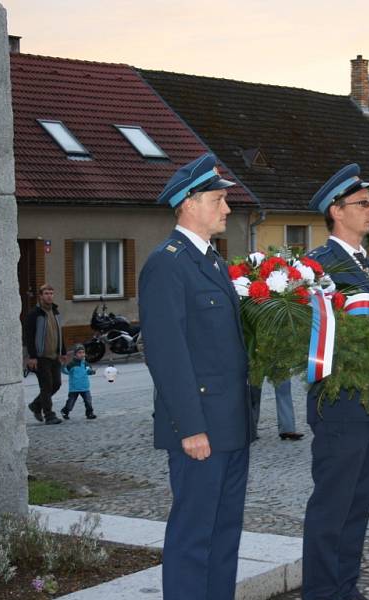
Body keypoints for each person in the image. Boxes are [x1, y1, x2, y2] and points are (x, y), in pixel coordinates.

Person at [138, 153, 252, 600]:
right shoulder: (167, 264)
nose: (227, 208)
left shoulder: (213, 262)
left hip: (230, 423)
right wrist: (191, 427)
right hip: (201, 426)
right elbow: (167, 354)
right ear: (190, 202)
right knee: (193, 537)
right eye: (219, 199)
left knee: (224, 535)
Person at [302, 163, 369, 600]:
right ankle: (321, 592)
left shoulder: (363, 263)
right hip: (338, 405)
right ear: (337, 211)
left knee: (357, 509)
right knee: (332, 508)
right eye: (363, 203)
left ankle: (344, 589)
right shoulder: (319, 267)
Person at [23, 283, 65, 425]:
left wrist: (62, 352)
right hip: (41, 357)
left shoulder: (55, 311)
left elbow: (60, 333)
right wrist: (32, 356)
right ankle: (49, 415)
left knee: (57, 384)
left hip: (54, 355)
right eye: (46, 293)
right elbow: (28, 337)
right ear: (40, 296)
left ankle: (36, 405)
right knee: (46, 385)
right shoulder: (34, 314)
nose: (49, 296)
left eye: (51, 293)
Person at [60, 343, 97, 420]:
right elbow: (65, 371)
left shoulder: (86, 364)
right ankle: (65, 411)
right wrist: (62, 365)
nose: (82, 354)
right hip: (74, 388)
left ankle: (89, 413)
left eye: (83, 352)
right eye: (79, 352)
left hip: (85, 387)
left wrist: (92, 371)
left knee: (88, 401)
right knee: (70, 403)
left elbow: (88, 371)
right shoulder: (71, 364)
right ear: (75, 354)